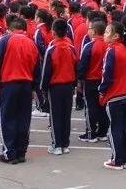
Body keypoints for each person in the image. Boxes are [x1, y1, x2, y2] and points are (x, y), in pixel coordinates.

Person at [0, 17, 40, 165]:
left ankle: (9, 152)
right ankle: (21, 151)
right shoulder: (31, 43)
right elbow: (37, 68)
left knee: (7, 118)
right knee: (23, 119)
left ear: (10, 29)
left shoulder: (5, 40)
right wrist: (34, 88)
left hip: (9, 84)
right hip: (26, 84)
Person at [99, 20, 126, 170]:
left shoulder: (111, 51)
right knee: (124, 128)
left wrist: (101, 89)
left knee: (115, 129)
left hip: (115, 94)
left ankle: (117, 159)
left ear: (116, 36)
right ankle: (123, 158)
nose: (104, 35)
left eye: (107, 32)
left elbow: (107, 74)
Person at [40, 17, 78, 154]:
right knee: (66, 115)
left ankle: (57, 145)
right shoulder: (71, 48)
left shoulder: (51, 50)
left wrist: (43, 88)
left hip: (55, 87)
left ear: (53, 33)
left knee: (55, 115)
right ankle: (65, 144)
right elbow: (76, 67)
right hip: (69, 86)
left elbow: (46, 71)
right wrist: (75, 83)